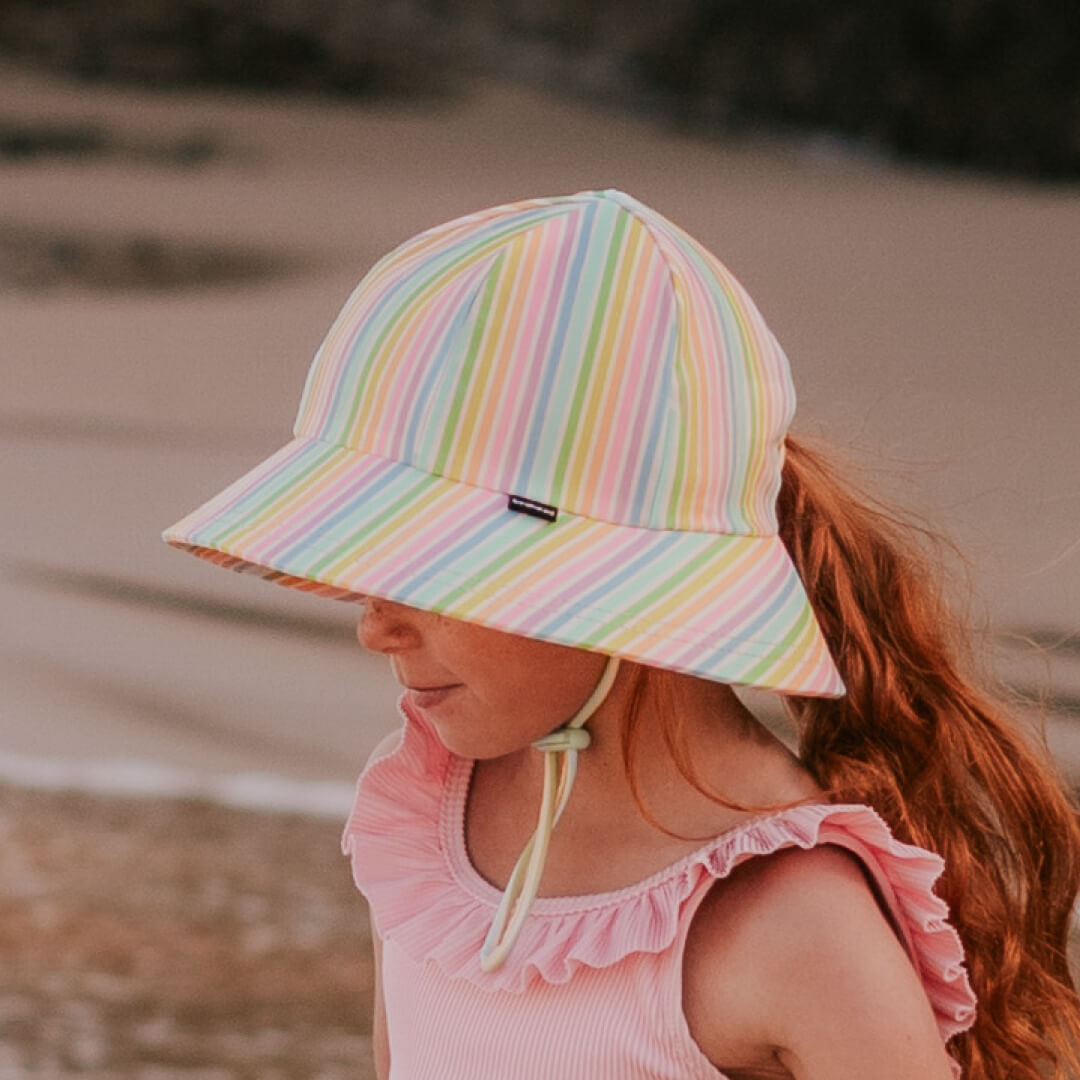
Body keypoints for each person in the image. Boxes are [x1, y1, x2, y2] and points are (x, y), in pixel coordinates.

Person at [164, 190, 1080, 1079]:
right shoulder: (429, 822)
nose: (375, 626)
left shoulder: (795, 923)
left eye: (424, 573)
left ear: (612, 582)